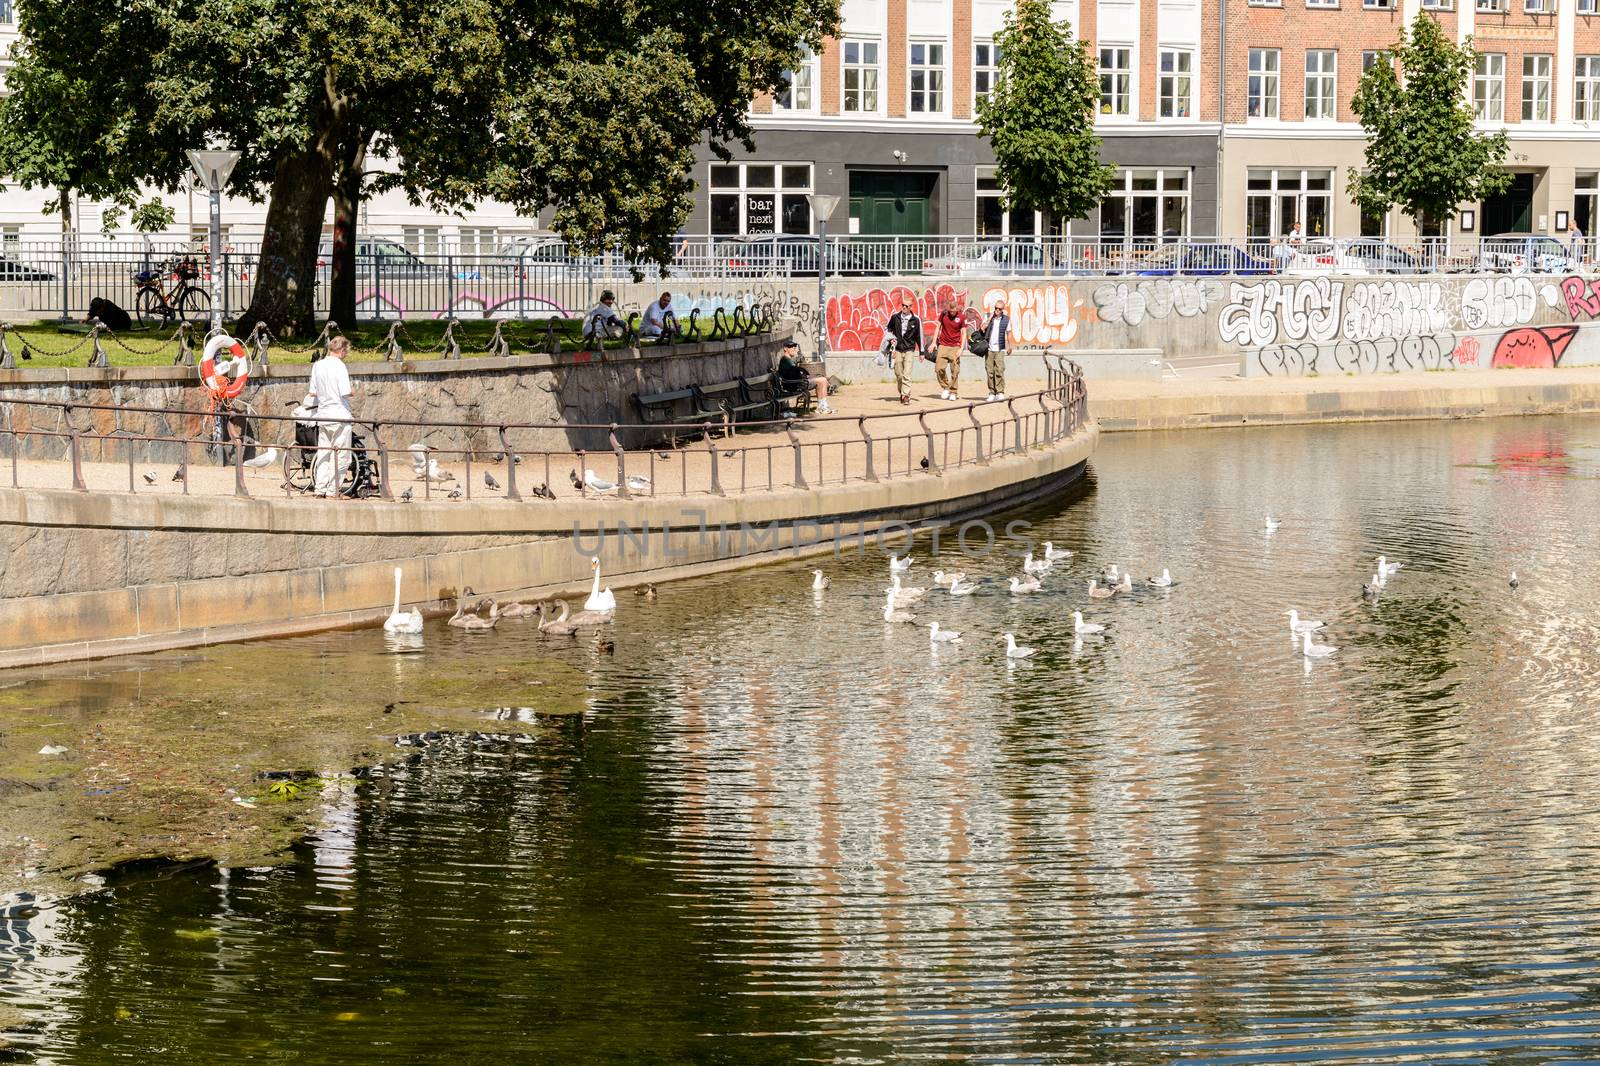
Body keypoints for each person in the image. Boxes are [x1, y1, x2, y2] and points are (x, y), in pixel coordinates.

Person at [303, 335, 353, 498]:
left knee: (324, 454)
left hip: (323, 415)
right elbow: (345, 392)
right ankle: (333, 491)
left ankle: (320, 489)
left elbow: (313, 391)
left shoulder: (318, 365)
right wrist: (354, 391)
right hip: (339, 415)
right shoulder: (340, 366)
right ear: (343, 350)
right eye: (347, 351)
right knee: (341, 456)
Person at [883, 295, 924, 405]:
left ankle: (906, 395)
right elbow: (887, 328)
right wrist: (890, 338)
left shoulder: (916, 320)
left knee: (907, 373)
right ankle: (902, 392)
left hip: (910, 349)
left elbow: (919, 336)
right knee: (899, 374)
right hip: (897, 349)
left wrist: (922, 352)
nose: (904, 307)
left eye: (906, 306)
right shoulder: (895, 317)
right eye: (903, 305)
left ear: (911, 307)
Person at [776, 339, 833, 414]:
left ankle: (822, 405)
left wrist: (810, 376)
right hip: (795, 385)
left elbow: (796, 374)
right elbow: (793, 376)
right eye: (791, 346)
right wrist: (807, 377)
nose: (793, 348)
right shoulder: (785, 360)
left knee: (823, 379)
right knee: (822, 380)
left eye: (794, 346)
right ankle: (822, 406)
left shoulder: (788, 360)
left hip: (797, 382)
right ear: (785, 349)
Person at [934, 297, 966, 400]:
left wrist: (961, 348)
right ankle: (946, 387)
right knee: (939, 368)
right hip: (943, 345)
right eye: (950, 311)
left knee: (955, 370)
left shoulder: (961, 317)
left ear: (957, 309)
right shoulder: (944, 314)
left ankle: (953, 392)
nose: (952, 313)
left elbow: (964, 333)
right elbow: (938, 327)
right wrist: (933, 342)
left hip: (955, 346)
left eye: (954, 311)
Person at [983, 300, 1010, 402]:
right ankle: (992, 392)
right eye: (996, 308)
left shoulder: (1006, 319)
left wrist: (1009, 346)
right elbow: (983, 327)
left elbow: (1008, 333)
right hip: (989, 349)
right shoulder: (988, 317)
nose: (997, 310)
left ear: (1003, 309)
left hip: (1000, 349)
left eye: (999, 309)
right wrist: (990, 318)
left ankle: (1000, 392)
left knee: (999, 370)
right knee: (989, 371)